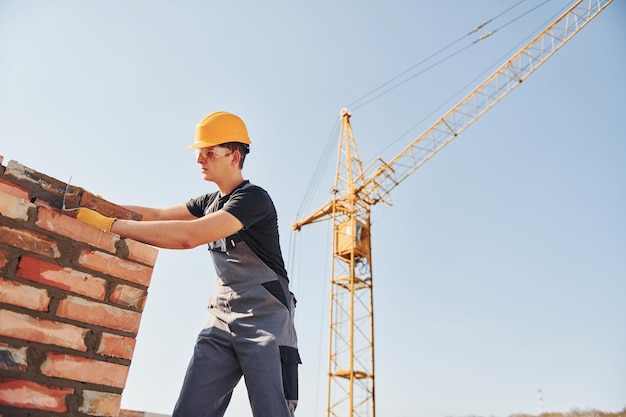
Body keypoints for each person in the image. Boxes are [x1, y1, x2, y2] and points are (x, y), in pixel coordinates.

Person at [75, 111, 301, 417]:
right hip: (222, 317)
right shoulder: (209, 202)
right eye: (199, 152)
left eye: (209, 152)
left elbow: (189, 237)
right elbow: (156, 216)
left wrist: (111, 225)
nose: (200, 159)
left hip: (267, 321)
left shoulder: (253, 199)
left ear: (234, 156)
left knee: (271, 411)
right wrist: (100, 205)